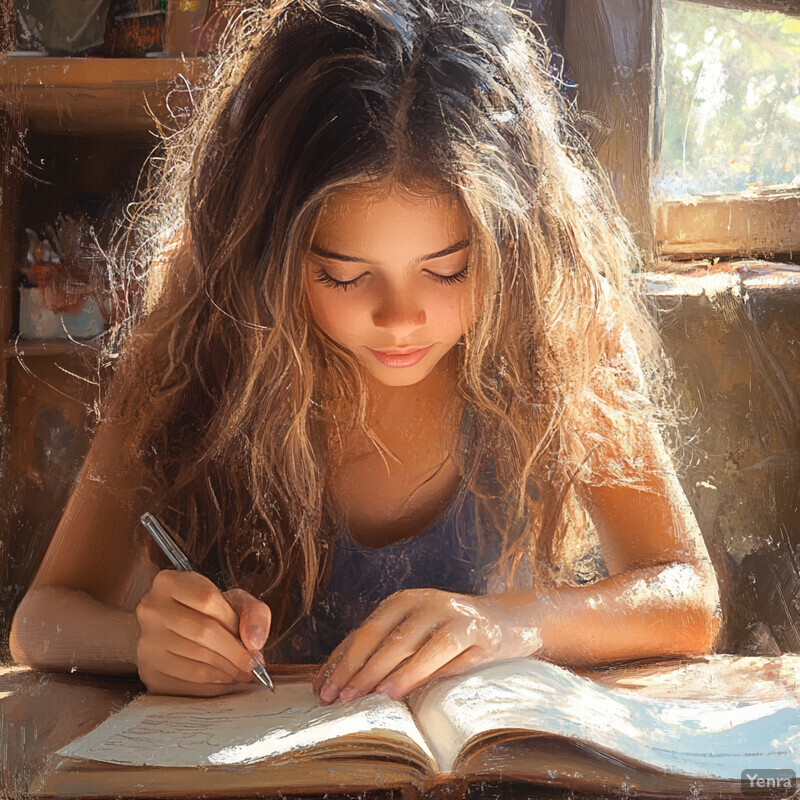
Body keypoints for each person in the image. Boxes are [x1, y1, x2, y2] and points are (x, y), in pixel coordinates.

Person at [9, 0, 721, 702]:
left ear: (514, 248)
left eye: (448, 270)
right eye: (344, 275)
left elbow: (687, 595)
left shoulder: (553, 329)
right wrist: (139, 642)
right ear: (268, 260)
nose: (400, 319)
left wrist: (513, 622)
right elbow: (40, 621)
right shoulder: (201, 344)